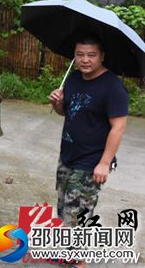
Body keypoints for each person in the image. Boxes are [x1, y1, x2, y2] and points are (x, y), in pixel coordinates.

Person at [48, 34, 128, 268]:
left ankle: (79, 262)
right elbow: (67, 112)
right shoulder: (72, 79)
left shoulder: (113, 86)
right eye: (80, 54)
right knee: (64, 207)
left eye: (91, 55)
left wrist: (105, 162)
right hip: (68, 156)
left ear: (102, 56)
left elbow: (118, 127)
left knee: (79, 213)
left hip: (91, 161)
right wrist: (58, 103)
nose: (85, 60)